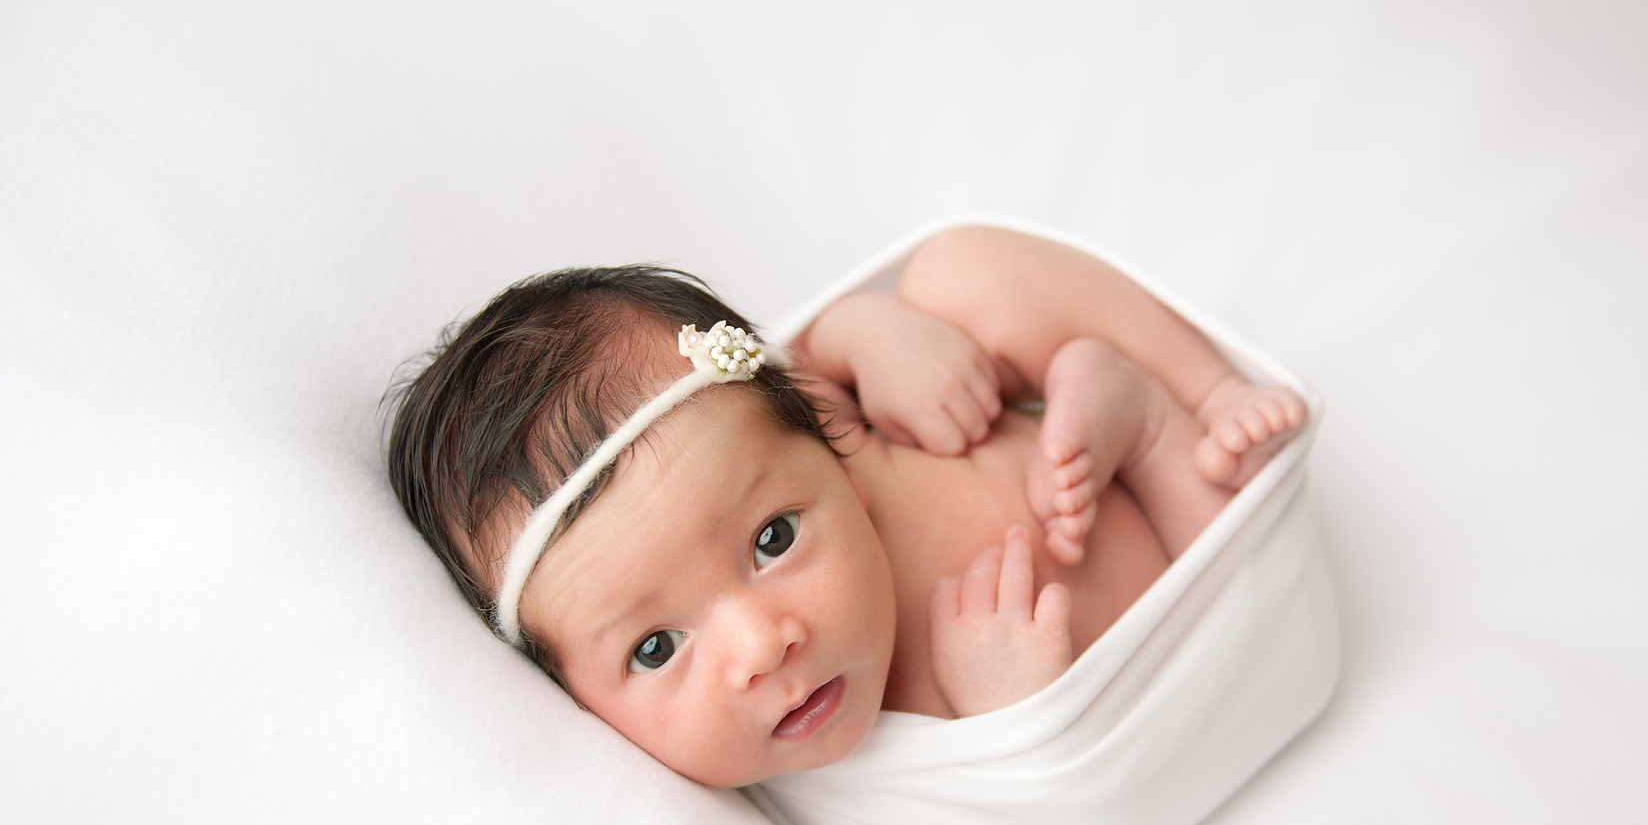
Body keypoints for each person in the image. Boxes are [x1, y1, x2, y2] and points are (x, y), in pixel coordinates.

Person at [385, 226, 1305, 789]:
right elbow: (1035, 822)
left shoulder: (815, 433)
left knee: (957, 269)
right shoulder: (830, 768)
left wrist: (877, 335)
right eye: (655, 647)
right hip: (1190, 558)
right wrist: (1009, 717)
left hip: (1043, 442)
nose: (764, 646)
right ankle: (1141, 421)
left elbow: (807, 358)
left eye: (772, 538)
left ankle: (1202, 388)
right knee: (1223, 526)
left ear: (824, 445)